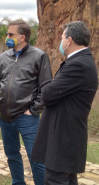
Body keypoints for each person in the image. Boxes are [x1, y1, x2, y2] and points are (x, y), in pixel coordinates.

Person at [32, 21, 98, 185]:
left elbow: (47, 95)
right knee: (66, 180)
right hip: (66, 135)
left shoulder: (78, 64)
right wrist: (52, 84)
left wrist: (45, 81)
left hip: (64, 137)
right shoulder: (80, 61)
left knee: (55, 180)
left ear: (69, 40)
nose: (60, 42)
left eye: (62, 38)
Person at [0, 19, 52, 185]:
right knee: (11, 155)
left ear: (22, 37)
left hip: (27, 118)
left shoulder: (39, 56)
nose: (7, 37)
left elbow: (45, 87)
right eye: (7, 34)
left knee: (37, 158)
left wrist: (33, 110)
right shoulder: (3, 57)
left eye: (11, 34)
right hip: (4, 117)